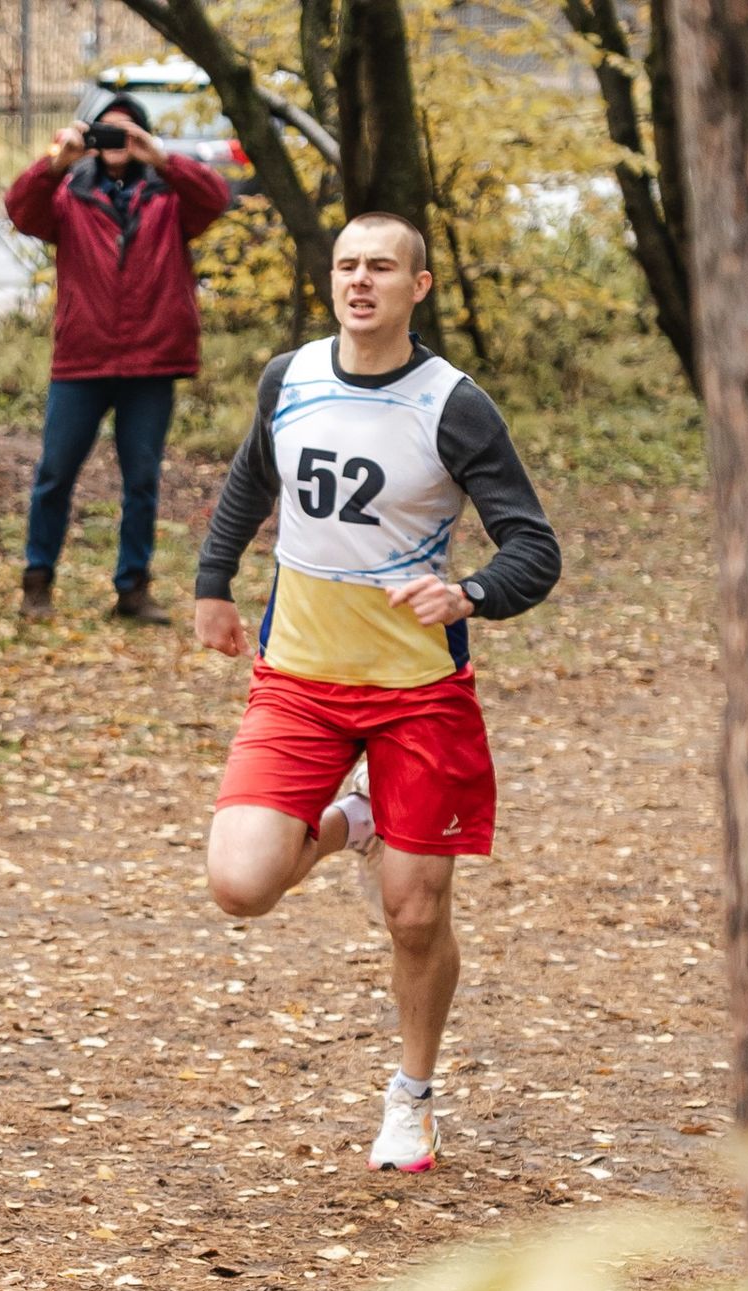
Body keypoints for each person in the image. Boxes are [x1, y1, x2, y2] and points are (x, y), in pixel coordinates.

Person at [192, 212, 561, 1173]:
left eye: (381, 268)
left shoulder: (453, 405)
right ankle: (355, 822)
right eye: (347, 266)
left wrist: (469, 589)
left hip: (415, 692)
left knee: (412, 913)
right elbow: (250, 478)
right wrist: (210, 582)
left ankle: (411, 1096)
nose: (361, 282)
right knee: (239, 883)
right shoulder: (291, 376)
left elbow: (533, 546)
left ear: (417, 286)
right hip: (301, 680)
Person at [5, 90, 231, 623]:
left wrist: (164, 158)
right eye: (105, 131)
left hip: (152, 362)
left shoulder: (171, 197)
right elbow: (20, 211)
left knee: (142, 480)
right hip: (83, 361)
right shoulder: (66, 197)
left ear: (144, 139)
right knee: (55, 474)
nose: (115, 142)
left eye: (127, 133)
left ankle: (133, 589)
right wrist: (57, 163)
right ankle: (37, 583)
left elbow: (217, 198)